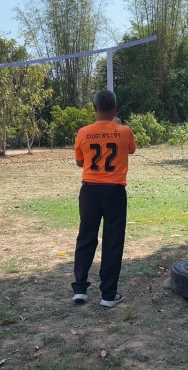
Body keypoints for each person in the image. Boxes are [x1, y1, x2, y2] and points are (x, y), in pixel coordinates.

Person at [72, 89, 136, 308]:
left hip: (89, 190)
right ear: (115, 108)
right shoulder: (125, 131)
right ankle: (108, 294)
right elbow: (131, 150)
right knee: (113, 240)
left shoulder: (83, 132)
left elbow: (80, 162)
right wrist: (116, 126)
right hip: (114, 191)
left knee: (86, 237)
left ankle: (80, 289)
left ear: (94, 108)